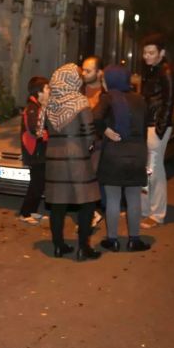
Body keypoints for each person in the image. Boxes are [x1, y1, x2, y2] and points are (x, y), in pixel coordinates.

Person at [43, 63, 102, 261]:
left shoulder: (50, 103)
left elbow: (43, 130)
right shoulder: (80, 102)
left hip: (54, 159)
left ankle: (58, 246)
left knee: (58, 206)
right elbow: (89, 134)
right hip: (77, 158)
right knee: (87, 203)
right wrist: (90, 148)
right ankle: (83, 247)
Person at [94, 65, 151, 252]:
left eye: (104, 78)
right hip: (137, 153)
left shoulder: (107, 98)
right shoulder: (140, 100)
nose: (102, 82)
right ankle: (134, 240)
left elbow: (94, 118)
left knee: (113, 199)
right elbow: (145, 128)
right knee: (134, 198)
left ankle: (113, 240)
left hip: (114, 155)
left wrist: (106, 131)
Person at [140, 34, 174, 229]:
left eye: (151, 52)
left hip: (156, 126)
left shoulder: (166, 72)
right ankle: (146, 210)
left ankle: (157, 214)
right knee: (148, 170)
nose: (147, 56)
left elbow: (169, 102)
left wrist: (160, 129)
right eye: (145, 52)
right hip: (150, 124)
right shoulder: (152, 70)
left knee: (154, 170)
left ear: (161, 53)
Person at [17, 76, 50, 225]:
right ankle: (25, 213)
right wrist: (47, 134)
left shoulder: (38, 106)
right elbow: (35, 130)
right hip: (35, 152)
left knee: (39, 183)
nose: (49, 91)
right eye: (47, 88)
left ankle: (32, 211)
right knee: (36, 184)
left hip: (39, 152)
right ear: (40, 92)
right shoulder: (32, 108)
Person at [80, 55, 106, 227]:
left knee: (93, 176)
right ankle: (89, 212)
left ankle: (94, 212)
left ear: (99, 72)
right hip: (80, 142)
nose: (83, 73)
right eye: (83, 69)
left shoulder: (106, 94)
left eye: (88, 70)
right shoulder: (78, 91)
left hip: (99, 143)